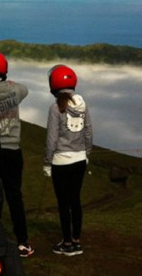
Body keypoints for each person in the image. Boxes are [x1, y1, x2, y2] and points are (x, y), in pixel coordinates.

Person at [0, 50, 35, 258]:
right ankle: (22, 242)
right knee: (14, 196)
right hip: (12, 151)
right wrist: (8, 83)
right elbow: (26, 89)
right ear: (3, 71)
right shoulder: (14, 91)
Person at [43, 64, 92, 257]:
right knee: (75, 200)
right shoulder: (83, 104)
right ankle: (77, 241)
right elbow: (88, 132)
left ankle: (67, 242)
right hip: (80, 159)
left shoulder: (55, 108)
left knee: (63, 203)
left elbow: (51, 139)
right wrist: (86, 155)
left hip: (60, 162)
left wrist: (47, 163)